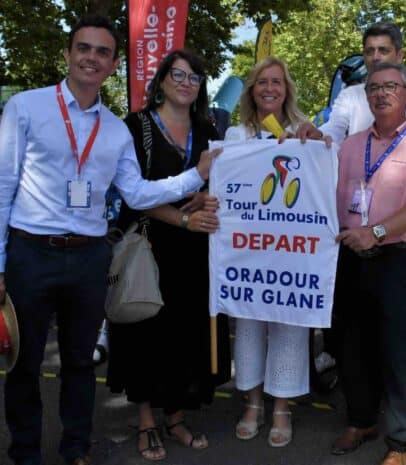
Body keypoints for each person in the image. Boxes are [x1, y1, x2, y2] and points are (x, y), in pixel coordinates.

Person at [0, 15, 220, 465]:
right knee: (24, 364)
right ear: (67, 54)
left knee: (80, 362)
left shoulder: (116, 130)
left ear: (114, 63)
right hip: (29, 252)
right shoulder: (26, 107)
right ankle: (24, 452)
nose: (91, 58)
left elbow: (137, 193)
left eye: (102, 52)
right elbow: (2, 187)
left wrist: (194, 175)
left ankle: (76, 449)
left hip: (88, 258)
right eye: (84, 48)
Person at [105, 49, 231, 461]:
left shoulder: (206, 126)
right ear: (161, 81)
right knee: (144, 331)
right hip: (149, 244)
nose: (185, 82)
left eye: (194, 77)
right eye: (177, 74)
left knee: (185, 334)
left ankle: (175, 417)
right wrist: (182, 219)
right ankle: (145, 420)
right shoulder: (135, 127)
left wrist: (205, 201)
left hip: (194, 249)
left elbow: (216, 187)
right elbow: (133, 193)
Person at [331, 61, 406, 465]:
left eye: (391, 86)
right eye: (374, 87)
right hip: (349, 257)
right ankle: (362, 420)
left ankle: (400, 440)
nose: (381, 93)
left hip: (397, 258)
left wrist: (375, 232)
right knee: (350, 343)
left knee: (398, 349)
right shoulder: (350, 146)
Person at [224, 57, 311, 448]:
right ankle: (253, 403)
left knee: (289, 324)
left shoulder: (304, 131)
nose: (270, 88)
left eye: (277, 82)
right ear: (251, 90)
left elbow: (321, 181)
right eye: (262, 82)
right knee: (248, 327)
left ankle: (281, 407)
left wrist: (320, 143)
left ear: (286, 89)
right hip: (247, 250)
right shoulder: (234, 134)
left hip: (290, 251)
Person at [296, 22, 406, 145]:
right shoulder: (350, 96)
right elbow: (334, 130)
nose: (375, 57)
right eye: (369, 51)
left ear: (399, 55)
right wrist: (317, 134)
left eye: (383, 50)